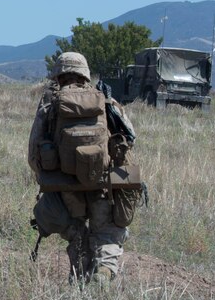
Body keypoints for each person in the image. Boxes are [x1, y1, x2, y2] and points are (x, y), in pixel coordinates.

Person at [28, 52, 140, 284]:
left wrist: (49, 177)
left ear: (58, 75)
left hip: (66, 188)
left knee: (76, 234)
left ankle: (79, 276)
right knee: (106, 234)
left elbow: (33, 153)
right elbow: (130, 137)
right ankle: (104, 271)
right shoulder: (104, 99)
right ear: (85, 73)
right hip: (102, 187)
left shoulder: (50, 104)